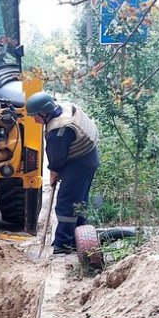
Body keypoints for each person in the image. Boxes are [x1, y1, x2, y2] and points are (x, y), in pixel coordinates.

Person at [26, 91, 100, 254]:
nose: (34, 120)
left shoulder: (58, 131)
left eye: (36, 116)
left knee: (65, 203)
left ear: (45, 112)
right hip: (89, 156)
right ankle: (79, 239)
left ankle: (62, 244)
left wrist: (53, 175)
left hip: (79, 163)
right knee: (78, 202)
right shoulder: (63, 108)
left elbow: (56, 162)